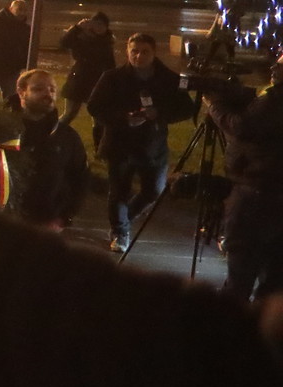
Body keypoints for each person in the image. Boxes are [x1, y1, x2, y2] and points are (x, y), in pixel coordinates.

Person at [87, 33, 196, 252]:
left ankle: (124, 219)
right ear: (127, 52)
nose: (138, 56)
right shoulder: (112, 77)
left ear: (154, 53)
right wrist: (124, 118)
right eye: (134, 51)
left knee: (154, 189)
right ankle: (120, 231)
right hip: (120, 143)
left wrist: (160, 114)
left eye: (144, 52)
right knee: (119, 190)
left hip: (152, 145)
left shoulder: (168, 78)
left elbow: (186, 108)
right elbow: (95, 106)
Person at [205, 53, 283, 303]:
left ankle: (232, 321)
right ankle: (265, 322)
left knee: (240, 271)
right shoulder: (270, 99)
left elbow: (242, 126)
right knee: (274, 278)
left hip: (257, 193)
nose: (275, 68)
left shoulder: (274, 100)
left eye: (281, 64)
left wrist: (215, 106)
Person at [10, 68, 88, 231]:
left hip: (45, 225)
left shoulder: (67, 136)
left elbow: (80, 179)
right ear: (21, 92)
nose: (48, 94)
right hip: (3, 221)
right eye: (38, 89)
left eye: (52, 89)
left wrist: (64, 218)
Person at [57, 12, 115, 127]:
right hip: (78, 80)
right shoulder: (82, 36)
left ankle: (98, 137)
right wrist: (77, 28)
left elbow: (110, 63)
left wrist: (112, 81)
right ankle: (53, 133)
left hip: (97, 82)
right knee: (70, 113)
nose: (99, 27)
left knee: (97, 116)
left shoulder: (108, 41)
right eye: (96, 24)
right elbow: (64, 43)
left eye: (102, 25)